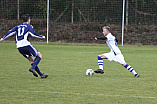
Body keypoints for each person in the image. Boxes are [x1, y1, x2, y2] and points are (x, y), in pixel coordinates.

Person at [0, 14, 48, 78]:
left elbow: (10, 32)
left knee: (31, 60)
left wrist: (3, 38)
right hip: (26, 44)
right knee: (39, 55)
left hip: (19, 47)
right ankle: (33, 68)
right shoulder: (29, 26)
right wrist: (42, 37)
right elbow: (33, 34)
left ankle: (41, 75)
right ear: (28, 20)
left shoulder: (17, 26)